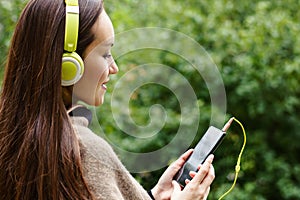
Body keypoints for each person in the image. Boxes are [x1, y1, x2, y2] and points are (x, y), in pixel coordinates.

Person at [0, 0, 215, 199]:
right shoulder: (85, 151)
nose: (114, 68)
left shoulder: (12, 140)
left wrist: (153, 195)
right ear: (67, 65)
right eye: (105, 54)